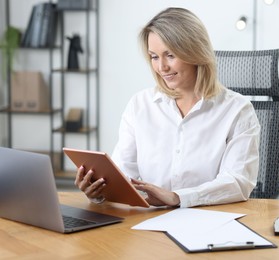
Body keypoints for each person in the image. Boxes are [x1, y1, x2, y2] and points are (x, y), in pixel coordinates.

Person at [75, 7, 260, 208]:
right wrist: (100, 190)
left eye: (170, 55)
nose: (161, 67)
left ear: (195, 52)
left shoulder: (238, 110)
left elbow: (238, 182)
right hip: (148, 221)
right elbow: (123, 171)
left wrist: (178, 197)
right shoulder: (140, 104)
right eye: (154, 57)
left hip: (209, 222)